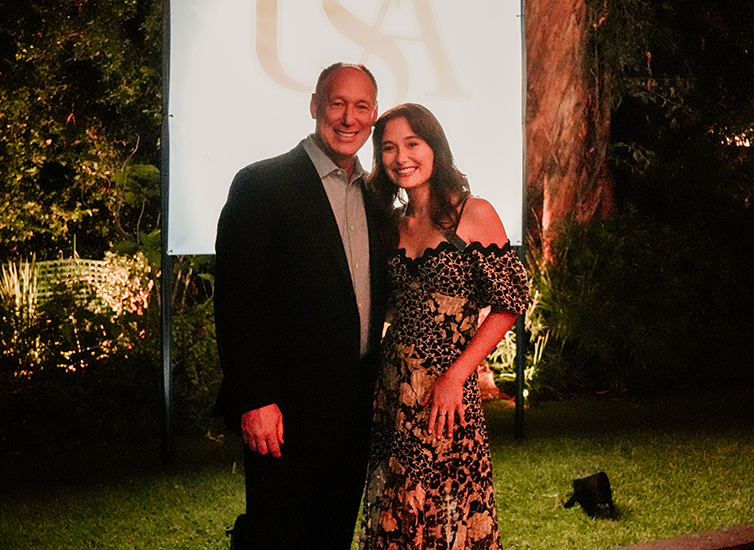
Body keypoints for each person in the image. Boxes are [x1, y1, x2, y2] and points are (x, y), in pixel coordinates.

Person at [213, 62, 388, 549]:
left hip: (353, 410)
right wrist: (254, 398)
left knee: (331, 537)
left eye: (361, 107)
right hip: (283, 412)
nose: (348, 118)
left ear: (374, 115)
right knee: (278, 537)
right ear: (314, 105)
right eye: (337, 103)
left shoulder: (376, 197)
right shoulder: (262, 185)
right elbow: (236, 301)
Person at [359, 103, 529, 549]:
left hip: (447, 390)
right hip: (395, 390)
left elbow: (509, 303)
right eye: (389, 148)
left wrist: (457, 376)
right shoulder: (392, 224)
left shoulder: (472, 213)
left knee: (450, 507)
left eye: (412, 143)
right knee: (396, 504)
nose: (401, 157)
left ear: (435, 147)